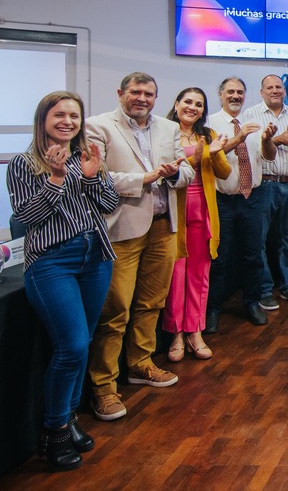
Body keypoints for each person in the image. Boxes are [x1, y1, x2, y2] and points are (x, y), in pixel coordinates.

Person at [7, 91, 119, 470]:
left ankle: (69, 419)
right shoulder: (24, 163)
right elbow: (27, 216)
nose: (67, 121)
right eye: (59, 115)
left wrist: (92, 177)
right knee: (70, 346)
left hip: (95, 258)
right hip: (52, 262)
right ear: (44, 119)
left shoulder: (86, 155)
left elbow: (108, 204)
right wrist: (55, 179)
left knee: (82, 344)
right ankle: (53, 432)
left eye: (74, 115)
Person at [86, 72, 195, 421]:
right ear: (120, 93)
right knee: (115, 310)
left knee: (151, 303)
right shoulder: (98, 126)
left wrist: (174, 173)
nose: (142, 98)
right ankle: (104, 387)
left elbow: (187, 173)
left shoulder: (168, 127)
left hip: (163, 227)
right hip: (123, 229)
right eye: (135, 92)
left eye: (149, 94)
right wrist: (145, 178)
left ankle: (140, 364)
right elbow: (97, 176)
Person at [162, 87, 231, 362]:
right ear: (176, 104)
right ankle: (176, 333)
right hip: (174, 210)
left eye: (199, 104)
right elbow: (169, 171)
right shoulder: (164, 133)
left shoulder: (208, 134)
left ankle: (195, 330)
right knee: (176, 274)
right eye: (188, 102)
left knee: (199, 274)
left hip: (203, 208)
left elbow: (224, 172)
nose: (193, 107)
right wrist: (199, 157)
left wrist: (214, 153)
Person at [206, 77, 278, 329]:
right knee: (219, 258)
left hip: (253, 198)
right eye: (230, 92)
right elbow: (209, 157)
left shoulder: (254, 122)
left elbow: (269, 156)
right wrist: (238, 138)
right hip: (222, 200)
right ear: (220, 94)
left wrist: (268, 139)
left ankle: (252, 303)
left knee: (253, 255)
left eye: (239, 92)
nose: (235, 96)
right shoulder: (209, 124)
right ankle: (212, 309)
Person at [242, 75, 288, 312]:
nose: (275, 91)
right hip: (264, 184)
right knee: (259, 239)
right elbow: (250, 148)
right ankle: (265, 289)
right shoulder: (250, 114)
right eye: (269, 87)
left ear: (284, 90)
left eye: (278, 87)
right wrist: (276, 140)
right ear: (262, 92)